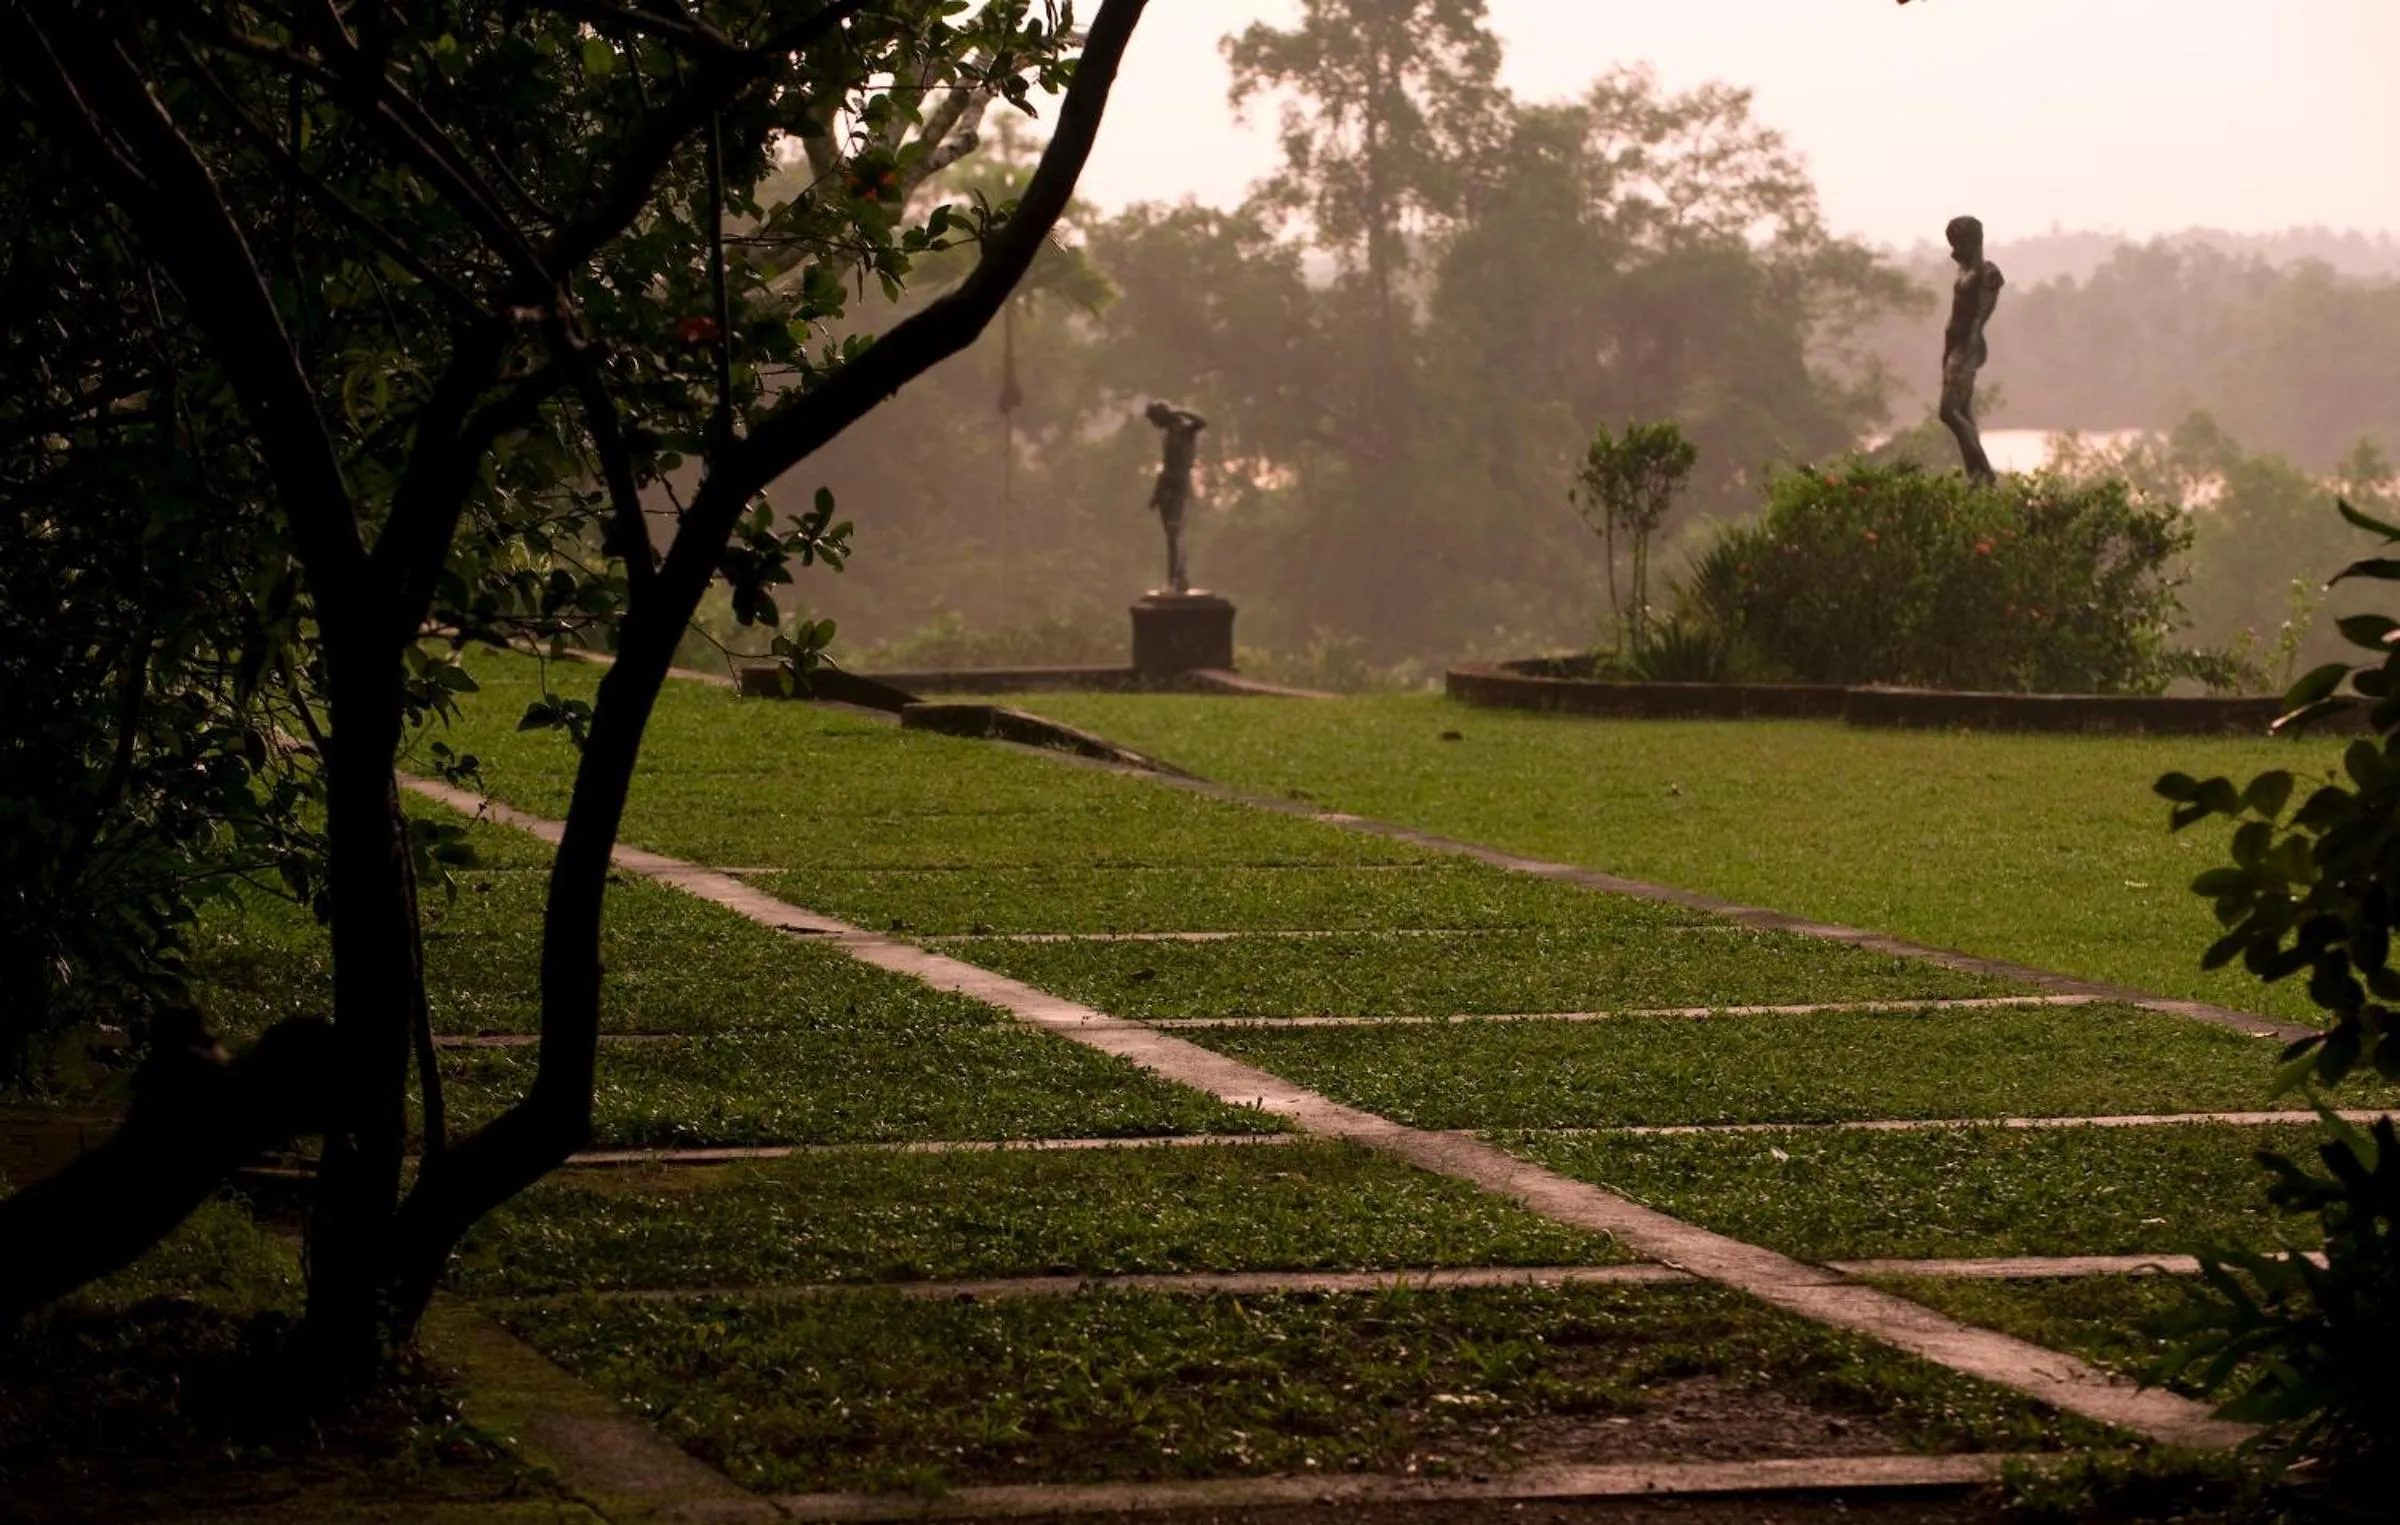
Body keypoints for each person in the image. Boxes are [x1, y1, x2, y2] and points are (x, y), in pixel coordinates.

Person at [1938, 215, 2005, 485]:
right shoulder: (1965, 269)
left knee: (1948, 411)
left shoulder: (1986, 274)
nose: (1953, 251)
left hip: (1967, 347)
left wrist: (1967, 357)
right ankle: (1975, 474)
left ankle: (1984, 469)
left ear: (1972, 242)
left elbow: (1979, 318)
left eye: (1958, 243)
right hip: (1954, 346)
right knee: (1963, 412)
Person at [1144, 401, 1208, 593]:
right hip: (1167, 486)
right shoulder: (1169, 436)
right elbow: (1166, 467)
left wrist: (1179, 411)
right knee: (1170, 535)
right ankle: (1177, 576)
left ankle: (1177, 578)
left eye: (1156, 419)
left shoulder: (1185, 431)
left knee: (1175, 531)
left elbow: (1202, 422)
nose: (1155, 425)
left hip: (1180, 485)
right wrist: (1156, 494)